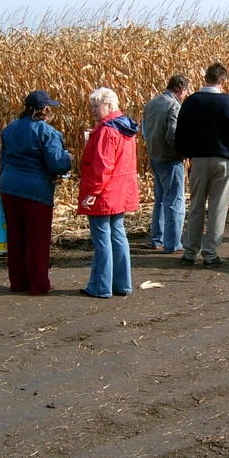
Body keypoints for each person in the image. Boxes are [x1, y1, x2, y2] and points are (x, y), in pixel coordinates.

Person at [174, 62, 229, 267]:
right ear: (223, 81)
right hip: (222, 161)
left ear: (205, 78)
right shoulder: (228, 102)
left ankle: (190, 251)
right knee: (218, 208)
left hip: (198, 161)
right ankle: (210, 253)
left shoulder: (191, 101)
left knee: (196, 206)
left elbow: (180, 134)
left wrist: (186, 153)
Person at [0, 90, 72, 296]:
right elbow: (56, 164)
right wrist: (69, 159)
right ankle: (39, 285)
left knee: (16, 236)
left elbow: (4, 160)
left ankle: (18, 282)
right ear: (45, 109)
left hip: (9, 187)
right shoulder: (47, 132)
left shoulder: (10, 129)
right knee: (38, 239)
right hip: (35, 191)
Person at [77, 87, 139, 299]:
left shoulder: (106, 130)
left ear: (110, 105)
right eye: (91, 106)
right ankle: (121, 284)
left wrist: (93, 192)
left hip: (105, 191)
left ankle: (100, 286)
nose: (93, 110)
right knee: (118, 235)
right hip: (121, 190)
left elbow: (102, 165)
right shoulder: (125, 127)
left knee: (102, 238)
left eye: (97, 106)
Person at [142, 74, 190, 253]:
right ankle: (173, 244)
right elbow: (173, 134)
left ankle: (157, 239)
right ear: (182, 89)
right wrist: (182, 153)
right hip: (170, 159)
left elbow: (145, 131)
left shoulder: (151, 103)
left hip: (154, 157)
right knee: (175, 201)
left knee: (160, 200)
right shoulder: (174, 105)